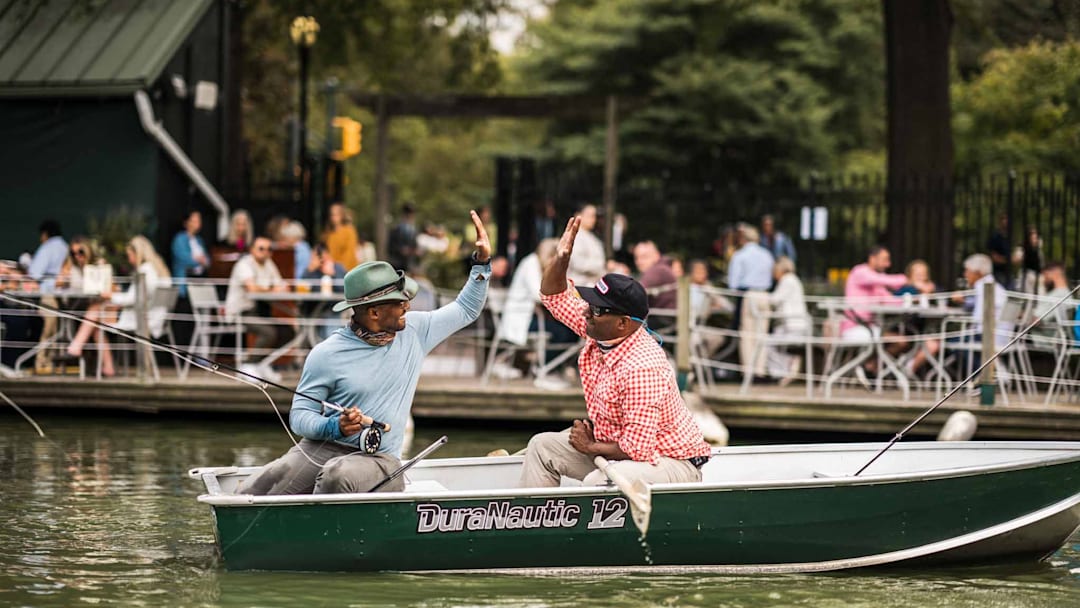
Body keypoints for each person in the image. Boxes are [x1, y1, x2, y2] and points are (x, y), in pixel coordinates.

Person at [239, 211, 492, 496]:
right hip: (322, 447)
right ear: (374, 312)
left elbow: (465, 309)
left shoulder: (416, 331)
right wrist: (336, 427)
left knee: (336, 476)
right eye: (400, 302)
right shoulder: (326, 353)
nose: (408, 306)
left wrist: (480, 263)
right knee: (250, 491)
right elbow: (300, 416)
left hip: (379, 459)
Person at [518, 216, 711, 489]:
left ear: (623, 322)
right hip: (619, 451)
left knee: (598, 480)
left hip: (669, 462)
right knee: (541, 446)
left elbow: (638, 448)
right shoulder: (599, 329)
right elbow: (553, 296)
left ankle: (583, 528)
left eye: (597, 308)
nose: (586, 310)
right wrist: (561, 258)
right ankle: (539, 524)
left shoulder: (642, 366)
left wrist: (590, 445)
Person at [224, 236, 288, 357]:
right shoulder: (244, 264)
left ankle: (263, 364)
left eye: (269, 249)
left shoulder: (268, 263)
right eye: (261, 249)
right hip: (241, 312)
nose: (265, 252)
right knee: (269, 332)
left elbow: (280, 284)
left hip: (259, 310)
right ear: (251, 249)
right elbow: (252, 288)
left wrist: (280, 287)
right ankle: (250, 365)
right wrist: (272, 289)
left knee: (287, 331)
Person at [764, 256, 808, 385]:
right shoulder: (793, 280)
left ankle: (778, 374)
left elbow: (775, 299)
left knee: (771, 345)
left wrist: (760, 297)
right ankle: (784, 374)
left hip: (792, 324)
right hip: (792, 324)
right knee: (778, 347)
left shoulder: (787, 280)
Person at [301, 243, 347, 340]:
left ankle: (330, 349)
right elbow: (303, 289)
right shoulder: (311, 270)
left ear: (327, 254)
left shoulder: (338, 268)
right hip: (312, 309)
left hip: (332, 309)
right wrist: (310, 271)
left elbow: (345, 291)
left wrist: (332, 274)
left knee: (330, 333)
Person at [171, 209, 208, 296]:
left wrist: (201, 260)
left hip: (199, 281)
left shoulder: (199, 240)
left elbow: (207, 260)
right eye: (194, 220)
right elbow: (183, 258)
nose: (198, 223)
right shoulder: (179, 239)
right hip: (185, 280)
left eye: (199, 220)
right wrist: (199, 260)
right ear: (187, 222)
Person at [566, 204, 605, 287]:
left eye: (594, 216)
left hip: (594, 282)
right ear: (578, 216)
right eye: (590, 216)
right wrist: (600, 265)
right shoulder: (574, 236)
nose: (593, 219)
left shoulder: (593, 238)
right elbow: (578, 263)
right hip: (580, 284)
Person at [1030, 261, 1070, 339]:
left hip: (1039, 339)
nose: (1044, 279)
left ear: (1054, 273)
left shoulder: (1057, 296)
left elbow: (1036, 321)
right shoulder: (1067, 294)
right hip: (1051, 337)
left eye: (1045, 275)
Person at [633, 241, 678, 310]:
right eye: (636, 258)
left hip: (662, 318)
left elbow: (635, 292)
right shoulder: (663, 268)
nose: (639, 262)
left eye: (644, 257)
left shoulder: (658, 270)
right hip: (662, 317)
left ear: (657, 255)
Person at [323, 202, 359, 271]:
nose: (334, 217)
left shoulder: (349, 231)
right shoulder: (329, 233)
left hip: (347, 270)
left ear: (342, 215)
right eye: (332, 215)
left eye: (336, 214)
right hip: (332, 269)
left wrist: (341, 269)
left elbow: (350, 253)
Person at [389, 203, 419, 272]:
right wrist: (400, 250)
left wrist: (415, 251)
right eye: (407, 215)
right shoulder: (396, 229)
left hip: (410, 265)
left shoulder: (414, 230)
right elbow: (390, 247)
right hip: (397, 265)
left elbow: (415, 245)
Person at [987, 212, 1012, 289]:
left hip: (1007, 272)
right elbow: (994, 256)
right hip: (998, 272)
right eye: (1004, 219)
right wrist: (1008, 261)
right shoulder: (996, 236)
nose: (1006, 221)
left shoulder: (1008, 237)